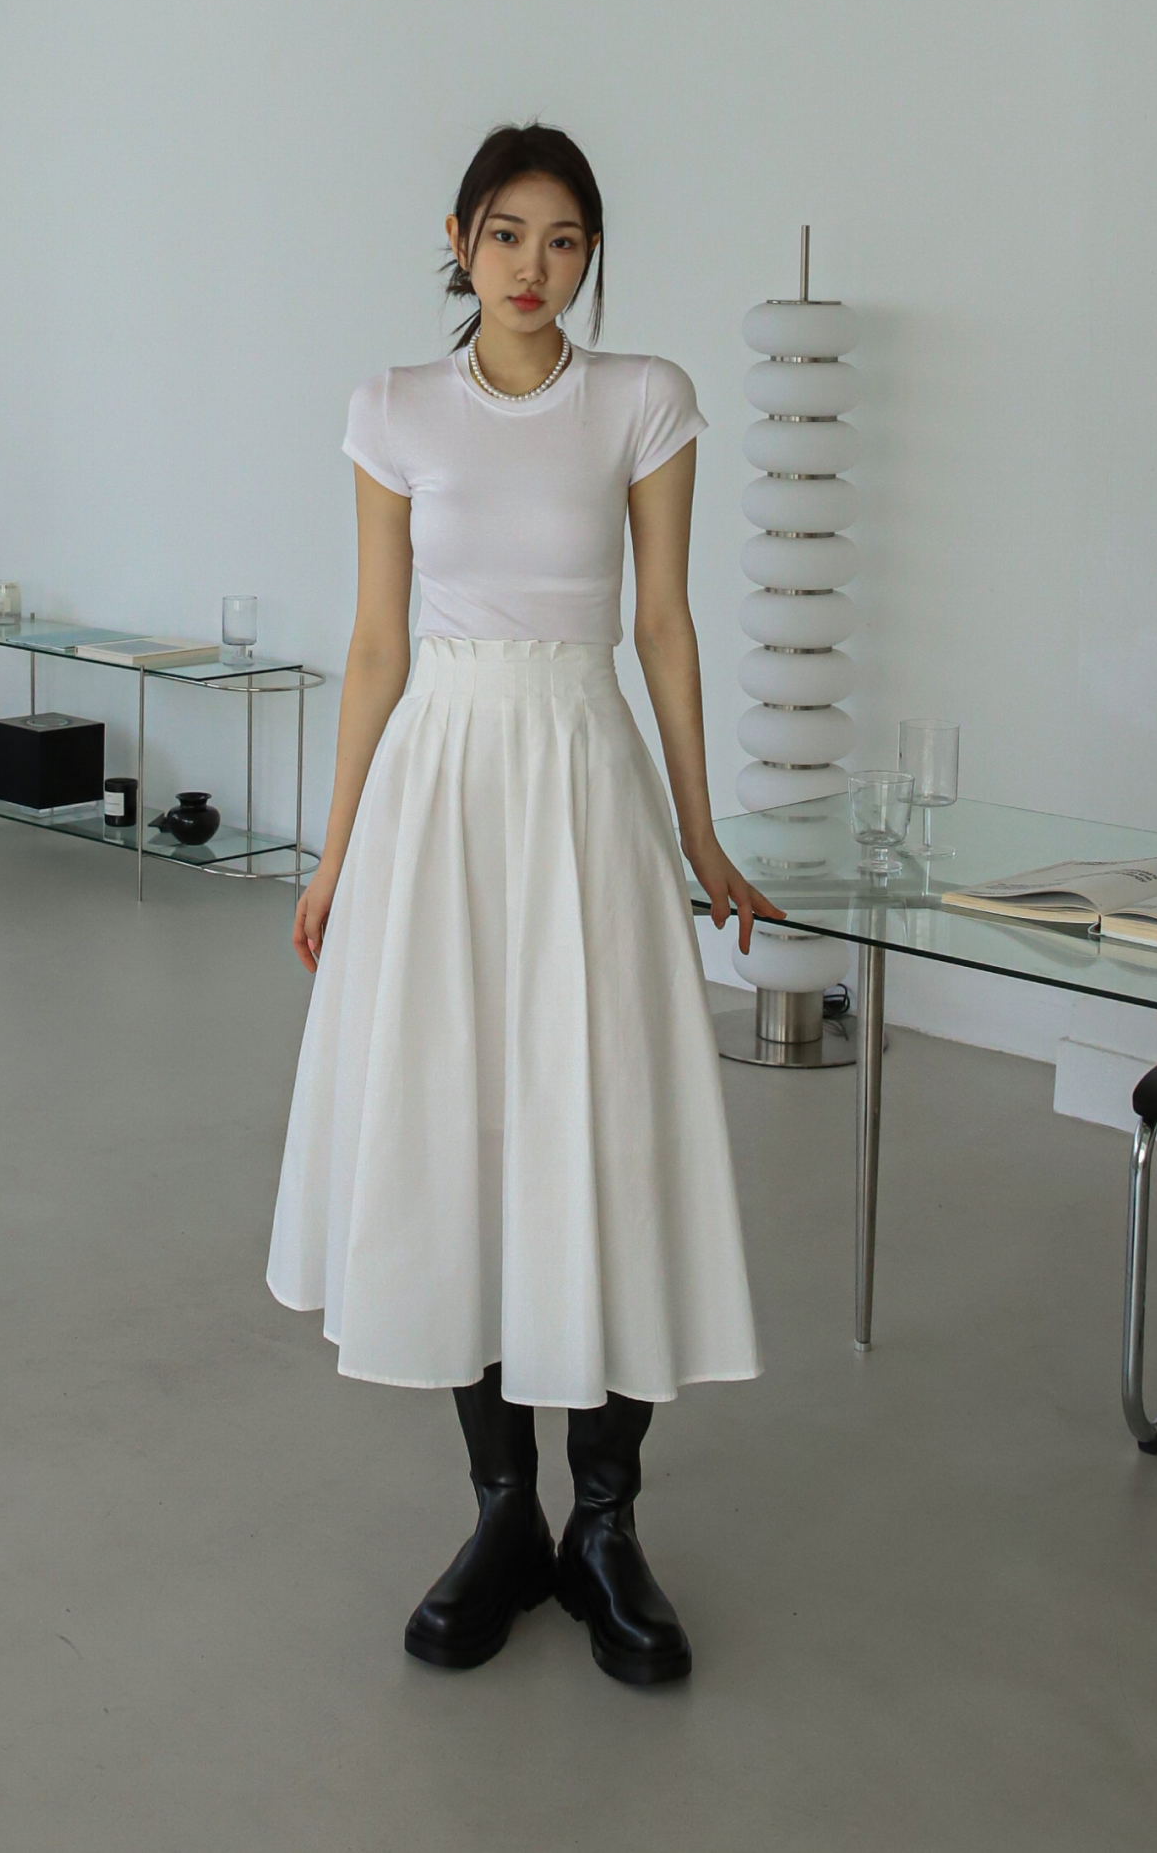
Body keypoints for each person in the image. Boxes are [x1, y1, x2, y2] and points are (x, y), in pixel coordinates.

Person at [267, 122, 780, 1687]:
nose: (535, 269)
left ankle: (605, 1528)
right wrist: (335, 848)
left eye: (565, 241)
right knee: (463, 1130)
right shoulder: (390, 410)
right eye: (508, 237)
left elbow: (666, 633)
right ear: (458, 239)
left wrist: (701, 833)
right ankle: (503, 1515)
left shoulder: (643, 398)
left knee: (603, 1125)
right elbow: (373, 647)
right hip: (438, 792)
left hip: (582, 781)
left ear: (590, 254)